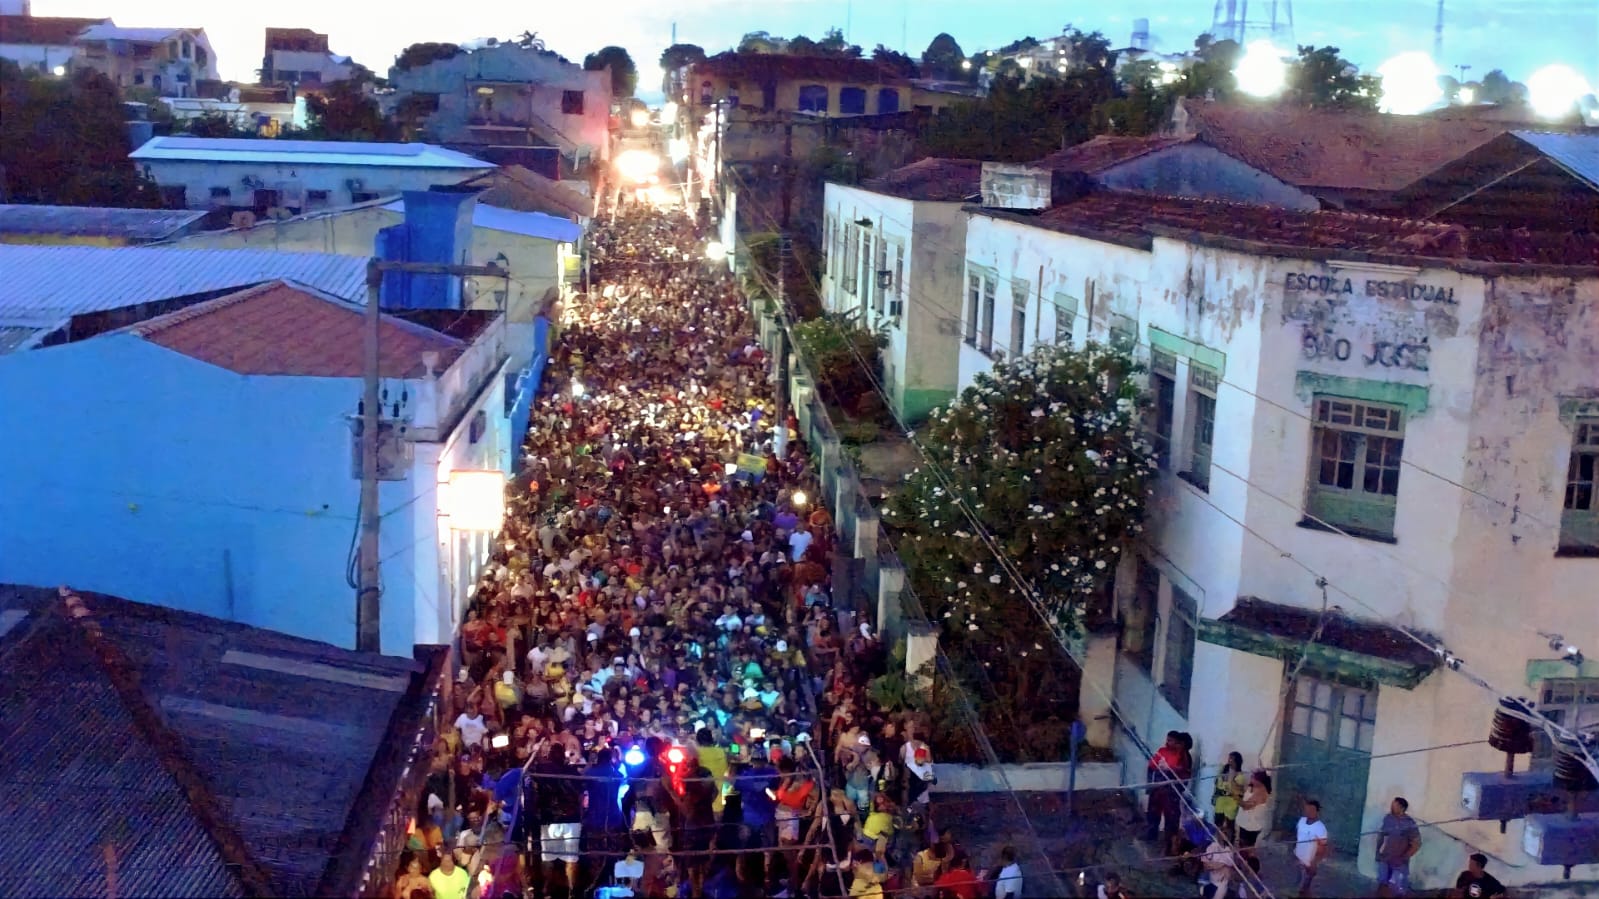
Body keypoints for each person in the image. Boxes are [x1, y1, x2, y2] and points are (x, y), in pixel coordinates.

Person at [1376, 796, 1421, 897]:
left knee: (1396, 890)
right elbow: (1382, 835)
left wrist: (1405, 857)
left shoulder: (1409, 823)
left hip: (1399, 862)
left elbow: (1417, 843)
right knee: (1382, 885)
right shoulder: (1388, 818)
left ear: (1402, 808)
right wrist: (1378, 852)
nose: (1391, 807)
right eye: (1392, 805)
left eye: (1394, 806)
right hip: (1385, 857)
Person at [1235, 769, 1272, 873]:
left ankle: (1252, 870)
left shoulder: (1261, 791)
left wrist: (1235, 798)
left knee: (1249, 849)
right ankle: (1242, 865)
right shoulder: (1252, 787)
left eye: (1253, 777)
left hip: (1252, 826)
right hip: (1245, 823)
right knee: (1242, 846)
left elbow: (1247, 806)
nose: (1251, 778)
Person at [1294, 799, 1331, 898]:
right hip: (1299, 858)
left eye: (1312, 809)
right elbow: (1297, 837)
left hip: (1309, 863)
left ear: (1317, 811)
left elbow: (1322, 848)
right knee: (1298, 885)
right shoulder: (1301, 821)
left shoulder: (1320, 828)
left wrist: (1314, 863)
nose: (1309, 811)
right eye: (1307, 809)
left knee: (1303, 888)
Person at [1212, 751, 1247, 842]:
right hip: (1221, 800)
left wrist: (1229, 785)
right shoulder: (1223, 770)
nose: (1229, 760)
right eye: (1229, 758)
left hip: (1231, 801)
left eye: (1232, 759)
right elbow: (1217, 782)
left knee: (1229, 824)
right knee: (1218, 823)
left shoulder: (1240, 776)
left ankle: (1228, 843)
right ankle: (1218, 842)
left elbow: (1237, 790)